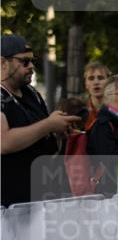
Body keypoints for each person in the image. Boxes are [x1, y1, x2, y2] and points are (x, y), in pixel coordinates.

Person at [1, 34, 81, 206]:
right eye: (24, 62)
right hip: (12, 205)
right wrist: (48, 125)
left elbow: (39, 136)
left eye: (32, 61)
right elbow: (4, 142)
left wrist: (58, 131)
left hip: (44, 195)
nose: (31, 66)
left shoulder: (32, 93)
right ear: (2, 63)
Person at [82, 60, 110, 131]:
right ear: (86, 84)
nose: (96, 82)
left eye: (100, 78)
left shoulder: (117, 110)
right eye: (91, 78)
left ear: (108, 82)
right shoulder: (80, 110)